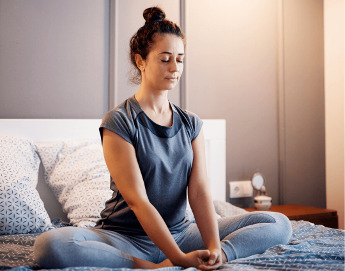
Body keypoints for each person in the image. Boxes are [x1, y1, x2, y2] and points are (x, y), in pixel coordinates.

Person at [34, 7, 292, 270]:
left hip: (182, 234)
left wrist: (215, 248)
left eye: (180, 59)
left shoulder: (191, 123)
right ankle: (150, 267)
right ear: (141, 60)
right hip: (125, 238)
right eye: (165, 59)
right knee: (50, 246)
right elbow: (138, 201)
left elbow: (200, 192)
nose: (175, 68)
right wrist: (179, 259)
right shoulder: (119, 121)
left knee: (278, 223)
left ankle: (215, 259)